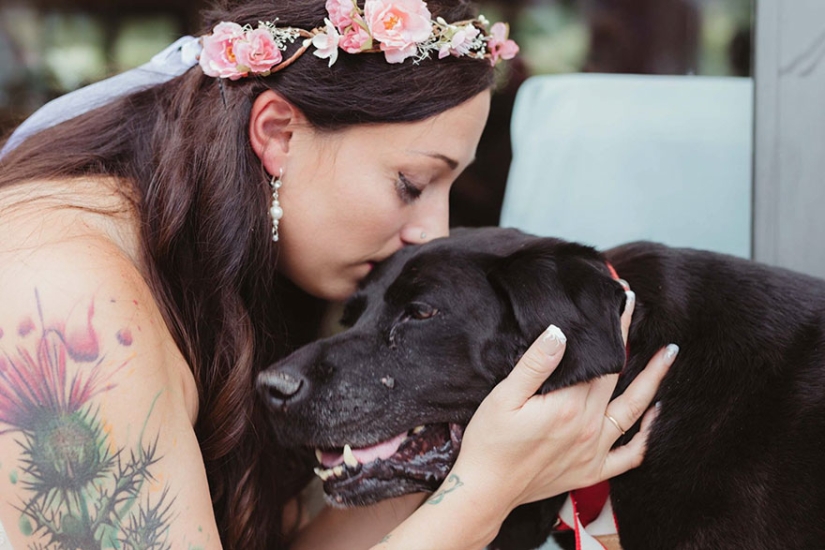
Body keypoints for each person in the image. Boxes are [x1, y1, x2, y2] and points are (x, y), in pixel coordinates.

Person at [0, 1, 677, 549]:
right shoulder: (61, 297)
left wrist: (466, 449)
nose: (432, 232)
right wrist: (487, 490)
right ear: (279, 133)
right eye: (412, 183)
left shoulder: (219, 263)